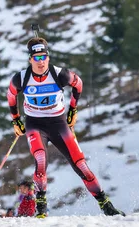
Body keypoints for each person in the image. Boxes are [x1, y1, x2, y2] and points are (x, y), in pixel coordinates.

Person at [7, 35, 125, 217]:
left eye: (44, 57)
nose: (41, 62)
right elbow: (11, 95)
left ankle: (106, 204)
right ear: (30, 59)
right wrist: (16, 119)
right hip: (35, 124)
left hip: (58, 123)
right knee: (40, 159)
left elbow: (78, 84)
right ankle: (41, 206)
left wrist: (73, 110)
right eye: (36, 58)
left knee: (82, 165)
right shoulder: (22, 78)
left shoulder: (59, 74)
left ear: (48, 58)